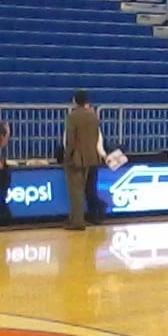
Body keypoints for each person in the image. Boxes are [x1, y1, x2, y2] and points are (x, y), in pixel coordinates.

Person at [63, 89, 105, 230]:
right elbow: (96, 137)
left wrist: (67, 156)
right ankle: (79, 218)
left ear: (75, 100)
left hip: (76, 158)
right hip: (92, 156)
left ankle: (77, 221)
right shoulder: (94, 116)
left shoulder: (73, 116)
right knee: (86, 189)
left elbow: (70, 140)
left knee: (76, 191)